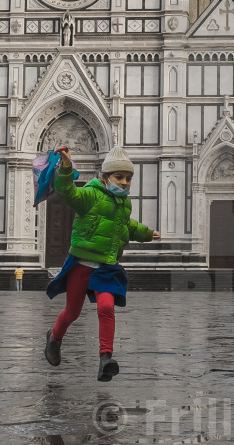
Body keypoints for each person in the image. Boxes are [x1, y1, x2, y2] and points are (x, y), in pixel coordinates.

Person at [43, 145, 160, 381]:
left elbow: (126, 227)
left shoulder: (124, 204)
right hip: (82, 265)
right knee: (72, 313)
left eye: (128, 178)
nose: (125, 182)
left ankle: (105, 359)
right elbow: (67, 193)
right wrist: (66, 166)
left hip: (106, 266)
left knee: (106, 308)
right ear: (106, 177)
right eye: (119, 177)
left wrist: (147, 233)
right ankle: (54, 338)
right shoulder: (91, 194)